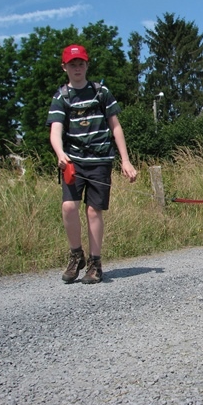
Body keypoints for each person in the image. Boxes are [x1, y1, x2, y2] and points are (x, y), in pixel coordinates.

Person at [47, 44, 138, 284]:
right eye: (72, 64)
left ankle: (95, 263)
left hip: (100, 161)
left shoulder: (101, 92)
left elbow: (116, 127)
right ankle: (76, 255)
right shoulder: (62, 96)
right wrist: (60, 153)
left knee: (93, 210)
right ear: (64, 67)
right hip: (73, 162)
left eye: (81, 63)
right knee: (69, 207)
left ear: (87, 65)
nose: (77, 68)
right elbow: (55, 130)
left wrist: (125, 162)